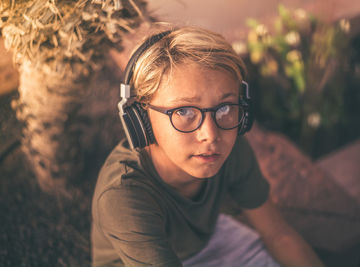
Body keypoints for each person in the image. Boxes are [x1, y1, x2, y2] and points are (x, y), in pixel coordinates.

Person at [91, 25, 324, 267]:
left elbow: (279, 235)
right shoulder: (122, 196)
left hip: (211, 242)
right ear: (141, 119)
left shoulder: (230, 149)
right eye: (184, 111)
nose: (211, 135)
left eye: (224, 108)